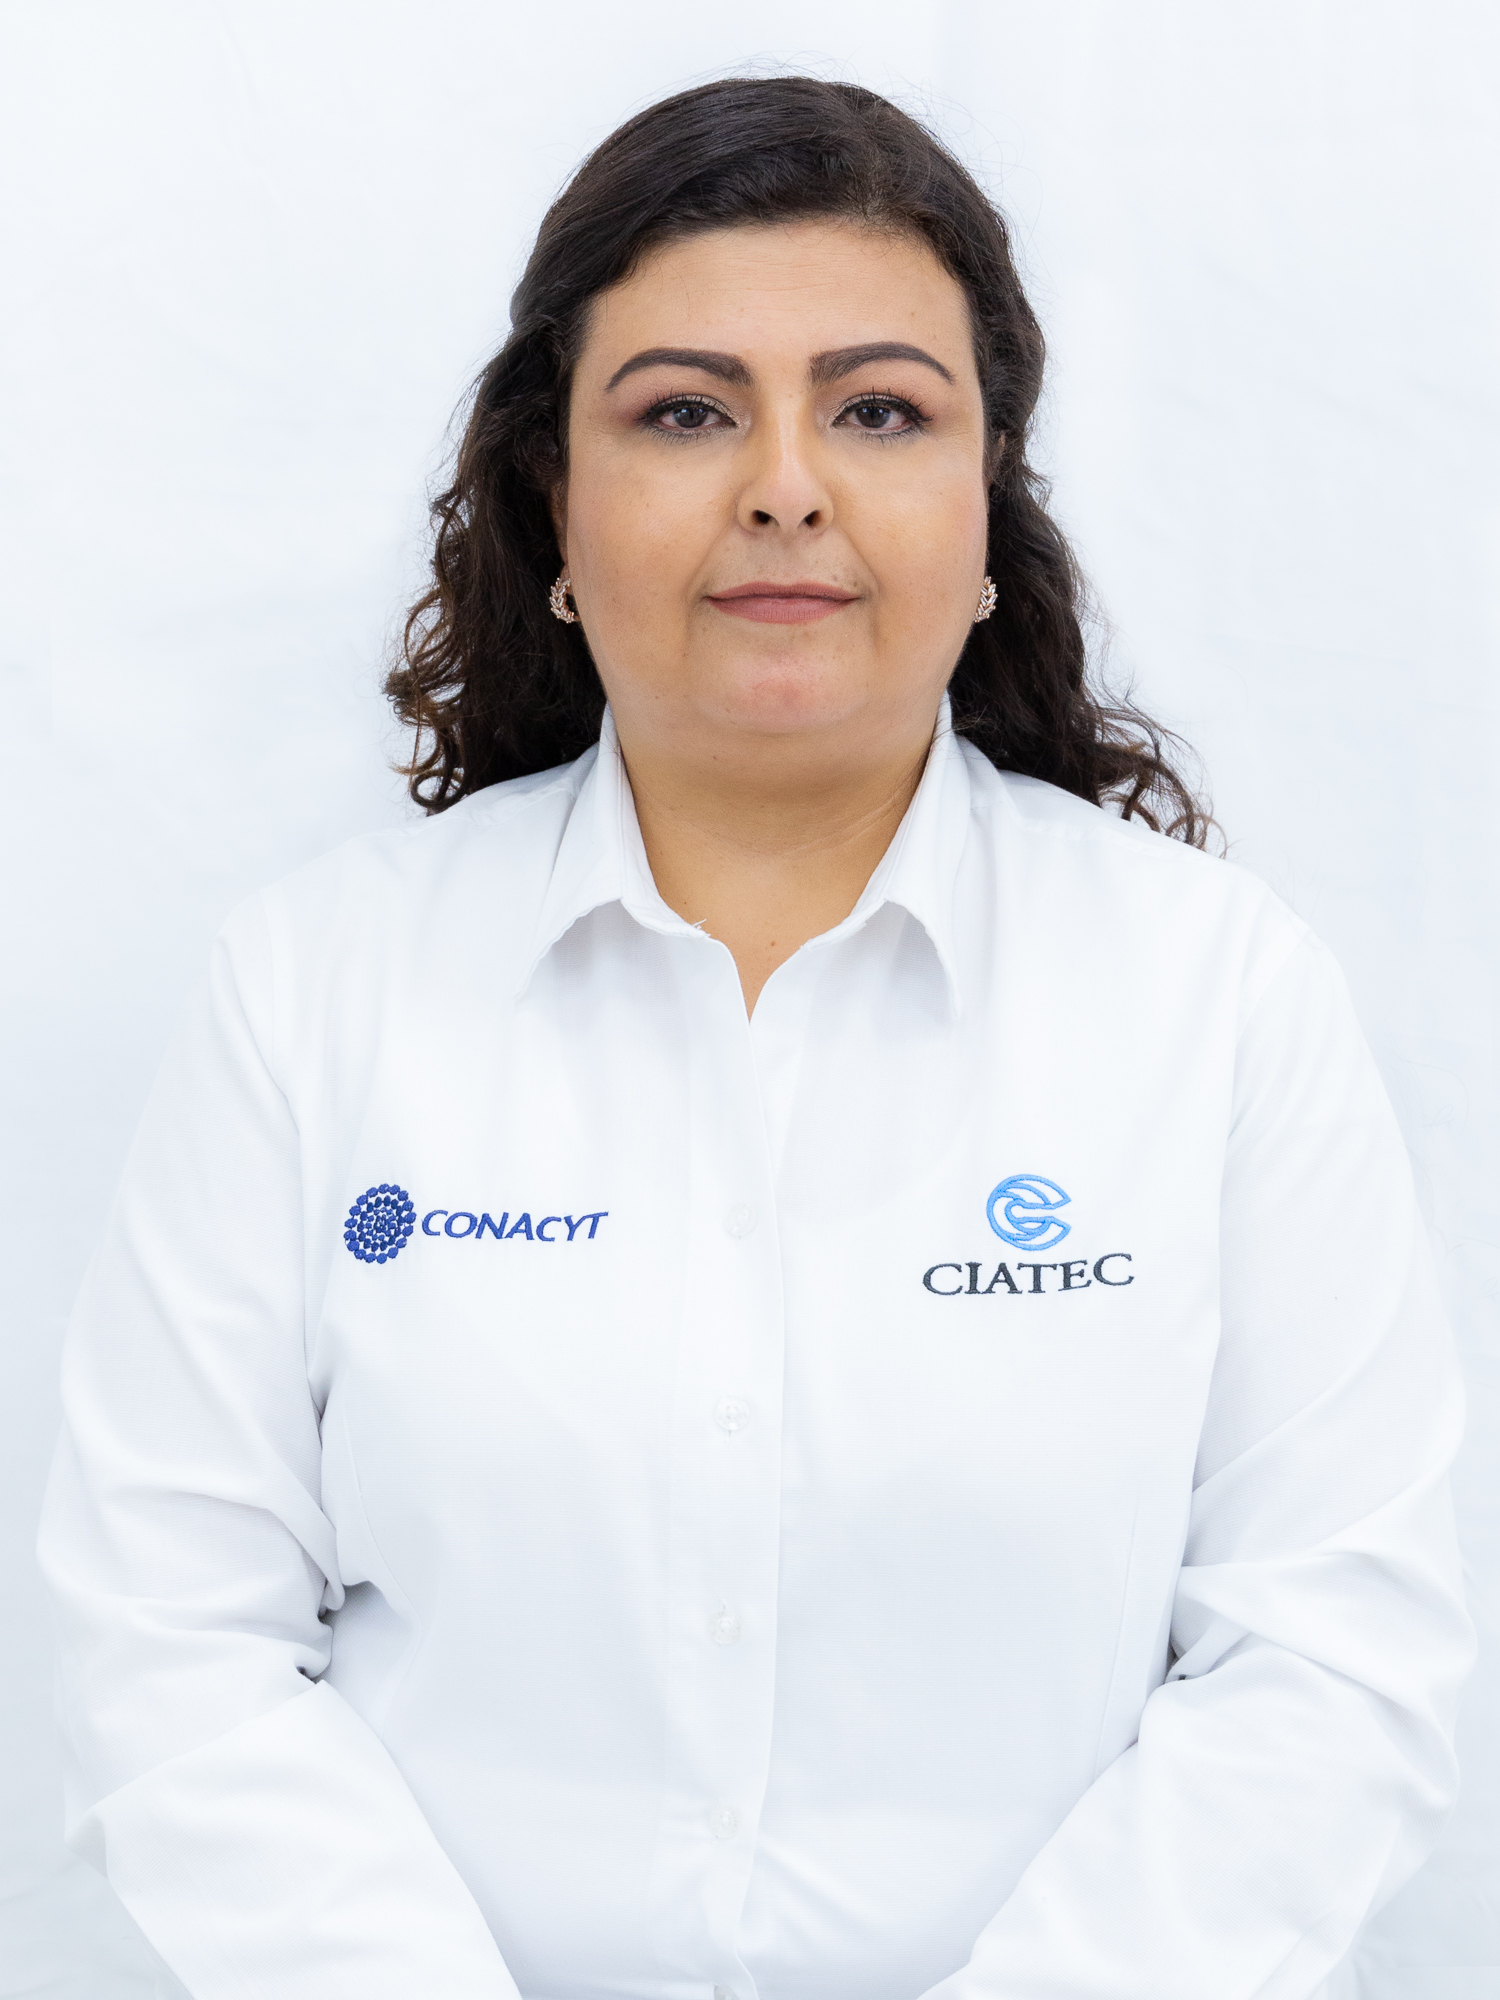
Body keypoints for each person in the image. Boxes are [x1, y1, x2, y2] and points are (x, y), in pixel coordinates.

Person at [38, 76, 1472, 2000]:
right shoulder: (313, 991)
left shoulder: (1218, 998)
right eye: (685, 412)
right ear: (556, 505)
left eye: (878, 411)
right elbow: (172, 1643)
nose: (786, 484)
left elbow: (1330, 1662)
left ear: (988, 507)